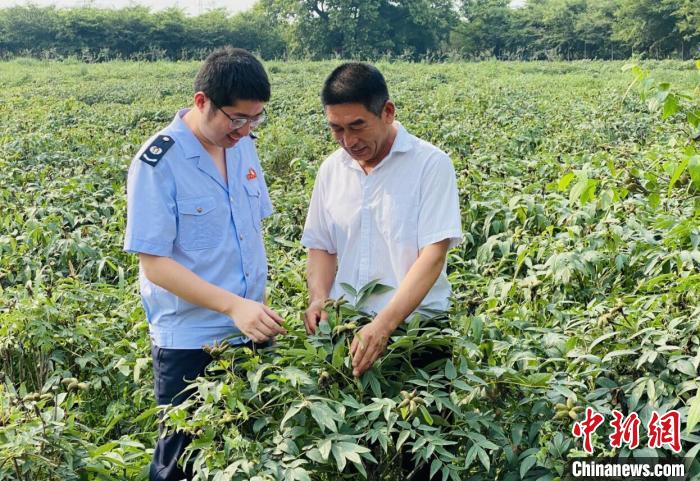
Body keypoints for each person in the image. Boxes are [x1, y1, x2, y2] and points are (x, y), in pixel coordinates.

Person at [123, 47, 285, 481]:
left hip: (250, 330)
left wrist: (255, 306)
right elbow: (155, 264)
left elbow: (249, 237)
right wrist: (234, 306)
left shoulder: (241, 146)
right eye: (236, 119)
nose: (246, 130)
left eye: (256, 119)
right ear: (201, 102)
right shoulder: (158, 162)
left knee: (246, 458)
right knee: (183, 464)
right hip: (191, 341)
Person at [301, 62, 462, 479]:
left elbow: (433, 255)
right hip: (349, 332)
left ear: (387, 112)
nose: (348, 141)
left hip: (418, 335)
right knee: (361, 460)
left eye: (357, 126)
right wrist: (319, 298)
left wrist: (385, 325)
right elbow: (321, 245)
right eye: (336, 129)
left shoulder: (430, 164)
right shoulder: (330, 170)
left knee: (424, 460)